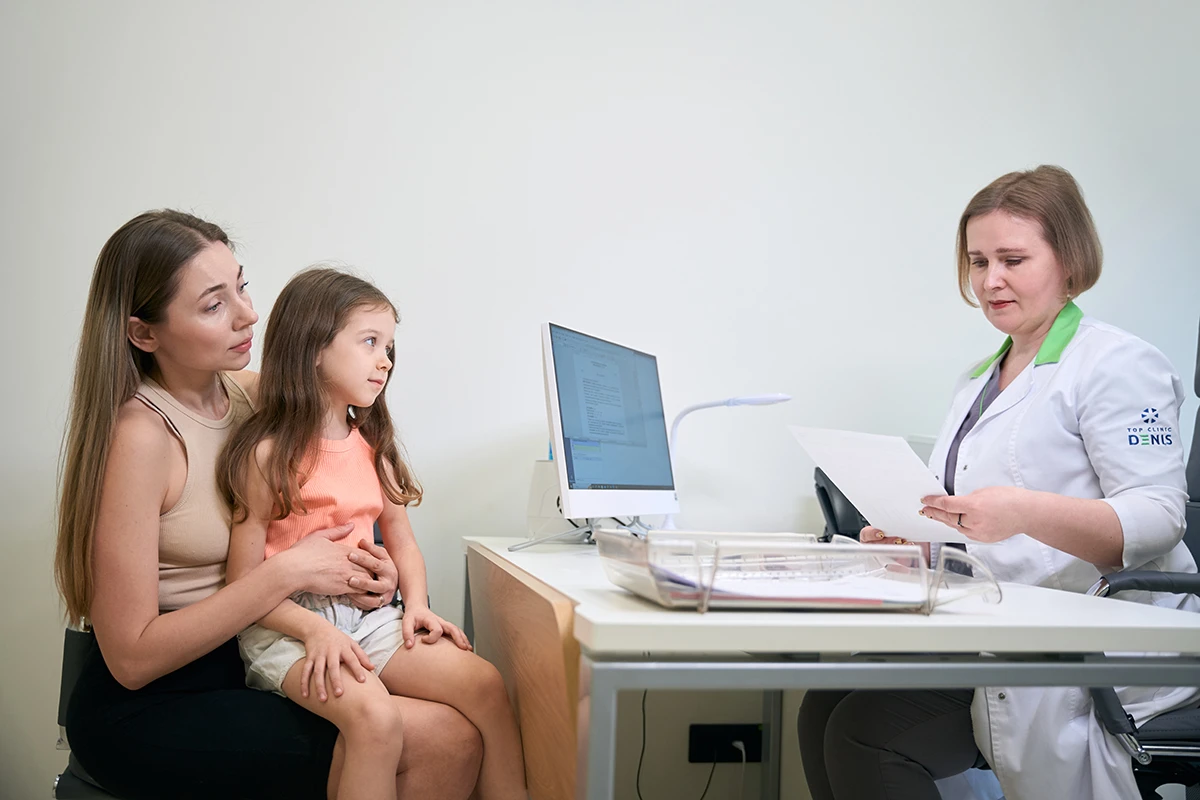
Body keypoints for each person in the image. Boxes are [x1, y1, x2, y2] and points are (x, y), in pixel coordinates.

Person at [797, 165, 1199, 800]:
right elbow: (985, 530)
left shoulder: (1118, 363)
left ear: (1069, 261)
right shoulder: (979, 379)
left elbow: (1158, 519)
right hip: (1007, 621)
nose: (990, 281)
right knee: (824, 700)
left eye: (1013, 260)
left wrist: (1021, 510)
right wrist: (919, 541)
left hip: (1094, 643)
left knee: (865, 732)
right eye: (978, 261)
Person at [56, 210, 483, 800]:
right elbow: (131, 659)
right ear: (144, 334)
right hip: (158, 698)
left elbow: (351, 494)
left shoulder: (256, 394)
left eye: (242, 286)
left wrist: (376, 570)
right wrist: (289, 573)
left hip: (259, 647)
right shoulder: (143, 436)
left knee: (462, 722)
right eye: (214, 305)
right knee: (442, 740)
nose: (248, 315)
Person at [218, 267, 527, 800]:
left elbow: (401, 541)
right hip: (287, 629)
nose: (385, 360)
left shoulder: (373, 447)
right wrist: (314, 630)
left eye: (389, 347)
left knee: (485, 683)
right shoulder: (266, 456)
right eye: (369, 342)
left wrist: (417, 607)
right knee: (376, 720)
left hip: (369, 619)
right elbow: (243, 586)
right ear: (314, 348)